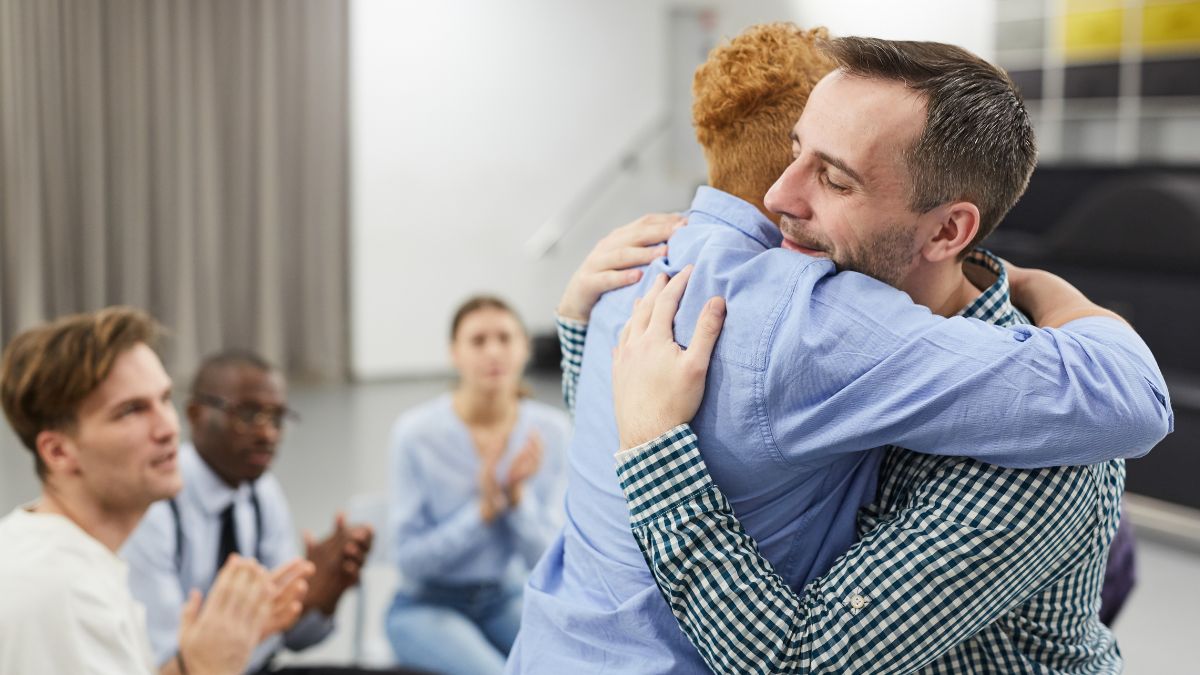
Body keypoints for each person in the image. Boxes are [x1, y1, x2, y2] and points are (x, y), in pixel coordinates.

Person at [506, 27, 1173, 674]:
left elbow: (802, 659)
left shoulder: (1040, 442)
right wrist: (581, 318)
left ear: (948, 229)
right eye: (796, 151)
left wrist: (655, 450)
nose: (776, 196)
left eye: (835, 178)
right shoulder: (798, 323)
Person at [0, 306, 302, 675]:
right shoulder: (65, 596)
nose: (168, 428)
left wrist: (199, 659)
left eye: (163, 399)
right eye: (131, 411)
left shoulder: (65, 557)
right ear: (59, 452)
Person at [122, 349, 400, 675]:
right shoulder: (155, 507)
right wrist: (274, 619)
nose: (267, 434)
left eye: (277, 418)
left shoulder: (262, 494)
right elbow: (166, 659)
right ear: (196, 414)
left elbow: (295, 641)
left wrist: (323, 595)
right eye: (248, 415)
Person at [385, 296, 570, 675]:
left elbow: (552, 564)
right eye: (478, 340)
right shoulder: (416, 434)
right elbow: (408, 562)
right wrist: (482, 512)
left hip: (506, 596)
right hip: (425, 606)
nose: (493, 351)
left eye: (505, 338)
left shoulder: (551, 431)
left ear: (525, 348)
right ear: (454, 353)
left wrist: (516, 503)